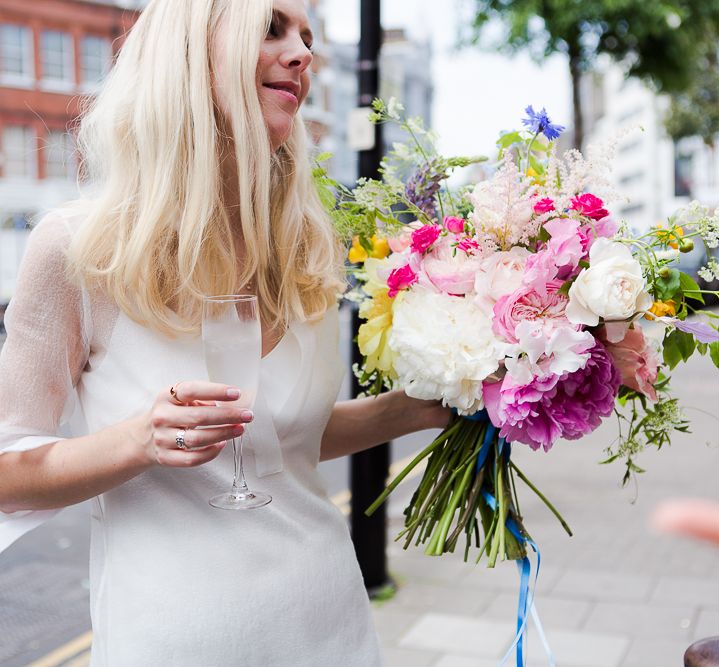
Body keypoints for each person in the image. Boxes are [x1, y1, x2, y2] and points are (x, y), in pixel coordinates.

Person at [0, 1, 449, 664]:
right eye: (270, 28)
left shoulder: (303, 247)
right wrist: (137, 440)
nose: (300, 53)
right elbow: (9, 473)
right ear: (186, 53)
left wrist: (426, 406)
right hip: (171, 638)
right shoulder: (77, 249)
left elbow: (286, 434)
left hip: (329, 621)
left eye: (305, 35)